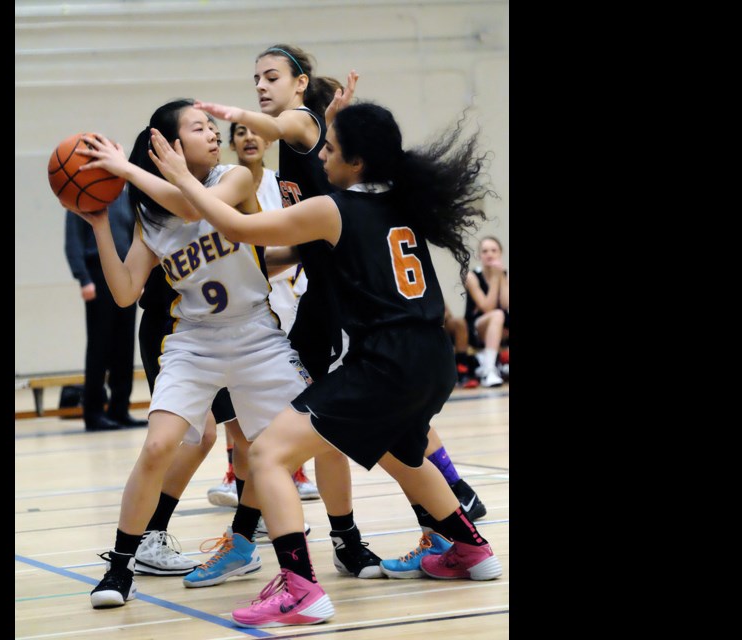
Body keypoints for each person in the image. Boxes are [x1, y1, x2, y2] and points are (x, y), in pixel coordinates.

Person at [150, 99, 503, 628]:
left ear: (355, 163)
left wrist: (182, 177)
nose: (323, 159)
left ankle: (299, 588)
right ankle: (471, 548)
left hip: (386, 361)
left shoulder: (333, 207)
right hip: (432, 358)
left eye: (331, 150)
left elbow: (240, 228)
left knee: (268, 452)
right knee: (403, 453)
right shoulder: (401, 202)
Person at [74, 99, 311, 609]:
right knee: (160, 446)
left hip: (255, 333)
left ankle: (271, 544)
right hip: (194, 339)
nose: (213, 134)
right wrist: (98, 224)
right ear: (170, 144)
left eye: (211, 126)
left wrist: (125, 168)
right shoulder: (151, 215)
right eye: (199, 127)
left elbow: (190, 204)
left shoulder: (237, 178)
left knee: (292, 443)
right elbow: (123, 292)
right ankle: (120, 568)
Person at [195, 45, 386, 582]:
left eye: (271, 76)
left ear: (300, 84)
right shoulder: (289, 156)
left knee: (347, 435)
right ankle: (260, 539)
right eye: (254, 77)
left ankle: (432, 524)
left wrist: (237, 117)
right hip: (317, 308)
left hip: (346, 309)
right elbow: (305, 247)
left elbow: (278, 125)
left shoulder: (299, 123)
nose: (260, 84)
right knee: (280, 433)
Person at [207, 121, 319, 508]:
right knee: (237, 395)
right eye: (239, 133)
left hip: (287, 292)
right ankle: (235, 472)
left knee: (289, 390)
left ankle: (296, 469)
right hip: (242, 300)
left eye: (254, 132)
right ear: (232, 143)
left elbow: (295, 239)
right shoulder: (221, 185)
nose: (249, 138)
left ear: (268, 139)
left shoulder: (279, 183)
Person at [63, 187, 148, 431]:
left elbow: (136, 235)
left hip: (125, 275)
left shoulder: (126, 194)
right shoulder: (82, 192)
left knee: (124, 347)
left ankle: (120, 410)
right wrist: (83, 278)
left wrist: (137, 278)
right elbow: (73, 239)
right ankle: (93, 413)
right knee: (99, 348)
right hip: (97, 278)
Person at [464, 235, 509, 387]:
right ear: (479, 255)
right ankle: (488, 371)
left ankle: (495, 363)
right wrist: (496, 278)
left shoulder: (503, 274)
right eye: (485, 251)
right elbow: (487, 307)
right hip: (477, 326)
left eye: (493, 250)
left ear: (500, 253)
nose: (489, 254)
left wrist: (501, 277)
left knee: (500, 315)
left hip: (500, 325)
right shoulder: (472, 276)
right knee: (497, 315)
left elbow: (505, 304)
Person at [444, 303, 480, 389]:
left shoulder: (431, 290)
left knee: (459, 322)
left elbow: (447, 314)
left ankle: (462, 370)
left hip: (436, 324)